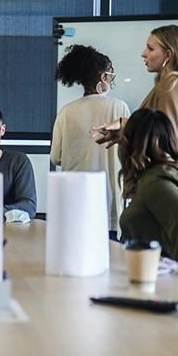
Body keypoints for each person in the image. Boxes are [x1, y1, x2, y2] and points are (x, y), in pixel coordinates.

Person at [92, 25, 178, 182]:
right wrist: (124, 130)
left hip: (171, 183)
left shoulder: (173, 85)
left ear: (168, 55)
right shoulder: (172, 84)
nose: (144, 54)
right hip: (174, 181)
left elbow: (164, 138)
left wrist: (127, 125)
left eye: (150, 48)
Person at [51, 44, 130, 233]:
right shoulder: (119, 108)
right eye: (110, 74)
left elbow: (55, 158)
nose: (110, 78)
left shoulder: (66, 112)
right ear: (102, 77)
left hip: (75, 201)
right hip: (109, 202)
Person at [117, 108, 178, 265]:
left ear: (133, 143)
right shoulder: (169, 174)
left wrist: (175, 271)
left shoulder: (155, 182)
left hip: (153, 273)